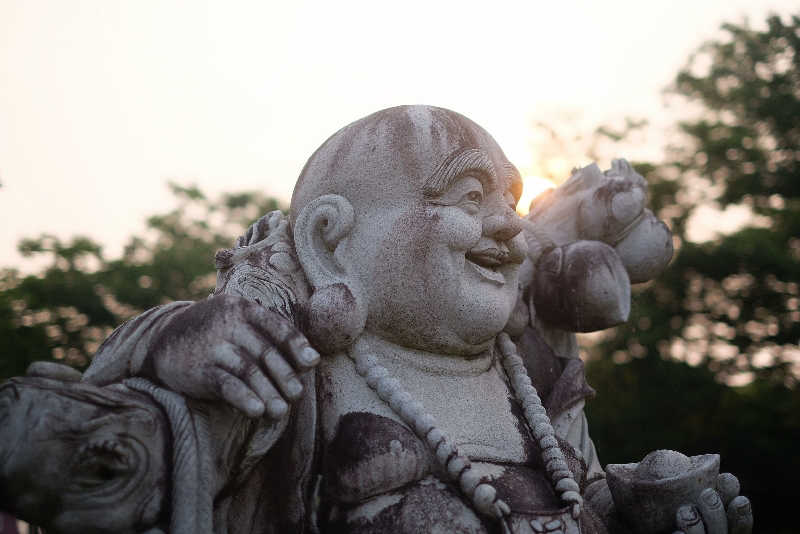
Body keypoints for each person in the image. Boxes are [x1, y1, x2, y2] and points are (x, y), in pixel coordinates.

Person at [82, 106, 750, 534]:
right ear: (330, 241)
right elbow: (69, 449)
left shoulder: (530, 371)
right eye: (467, 196)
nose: (508, 227)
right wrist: (165, 338)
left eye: (512, 202)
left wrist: (640, 509)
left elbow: (572, 504)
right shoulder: (290, 366)